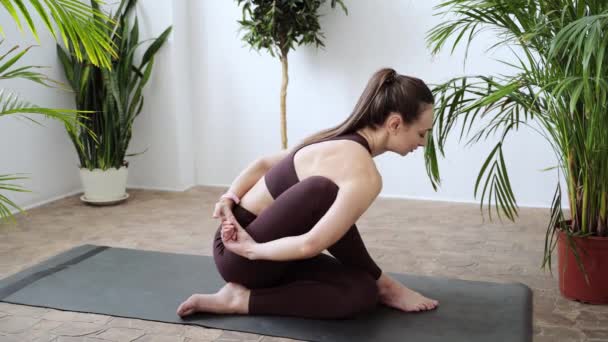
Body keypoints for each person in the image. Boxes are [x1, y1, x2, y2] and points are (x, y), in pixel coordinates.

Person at [177, 68, 439, 320]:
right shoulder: (364, 173)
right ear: (395, 123)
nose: (424, 142)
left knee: (362, 291)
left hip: (268, 252)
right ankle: (386, 286)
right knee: (323, 192)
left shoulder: (334, 137)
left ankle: (240, 299)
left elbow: (264, 164)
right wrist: (251, 250)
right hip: (244, 254)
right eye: (422, 133)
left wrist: (228, 197)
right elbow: (310, 244)